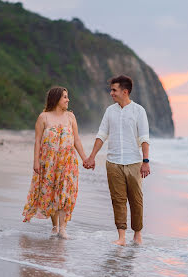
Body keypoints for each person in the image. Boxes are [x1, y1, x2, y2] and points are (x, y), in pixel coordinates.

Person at [84, 75, 151, 246]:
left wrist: (146, 161)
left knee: (136, 200)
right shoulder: (110, 111)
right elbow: (102, 135)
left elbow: (144, 137)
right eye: (111, 90)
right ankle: (121, 237)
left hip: (134, 162)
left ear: (125, 91)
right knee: (118, 200)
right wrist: (91, 156)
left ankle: (137, 234)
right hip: (113, 162)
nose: (111, 93)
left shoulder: (138, 111)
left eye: (114, 90)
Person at [22, 86, 87, 239]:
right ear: (56, 99)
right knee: (52, 194)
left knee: (65, 193)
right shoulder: (43, 117)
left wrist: (85, 159)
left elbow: (76, 140)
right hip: (49, 162)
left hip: (68, 162)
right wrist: (36, 162)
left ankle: (63, 229)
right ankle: (54, 226)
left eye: (67, 96)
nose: (68, 100)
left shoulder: (71, 117)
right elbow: (37, 141)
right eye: (65, 97)